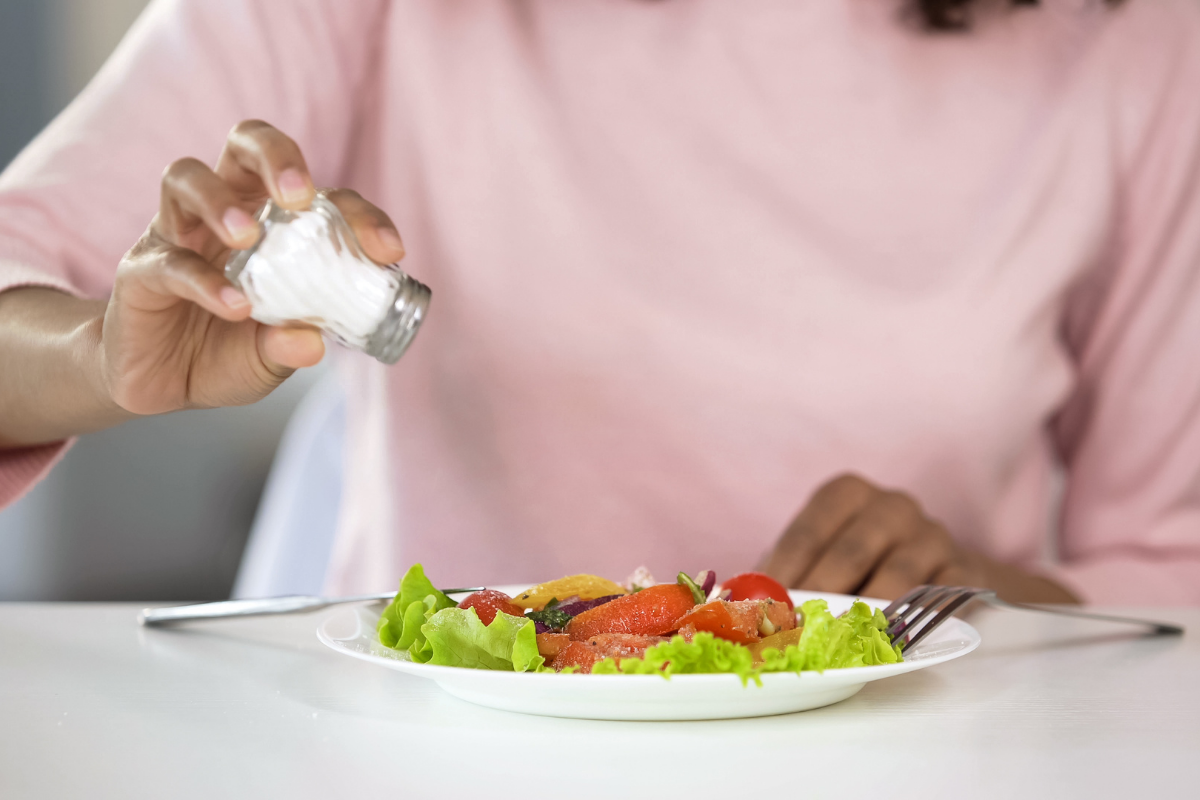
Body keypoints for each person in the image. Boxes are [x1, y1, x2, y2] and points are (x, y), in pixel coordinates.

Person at [2, 0, 1199, 604]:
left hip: (932, 758)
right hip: (424, 763)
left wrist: (977, 600)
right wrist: (105, 357)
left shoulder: (1132, 40)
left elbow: (1166, 572)